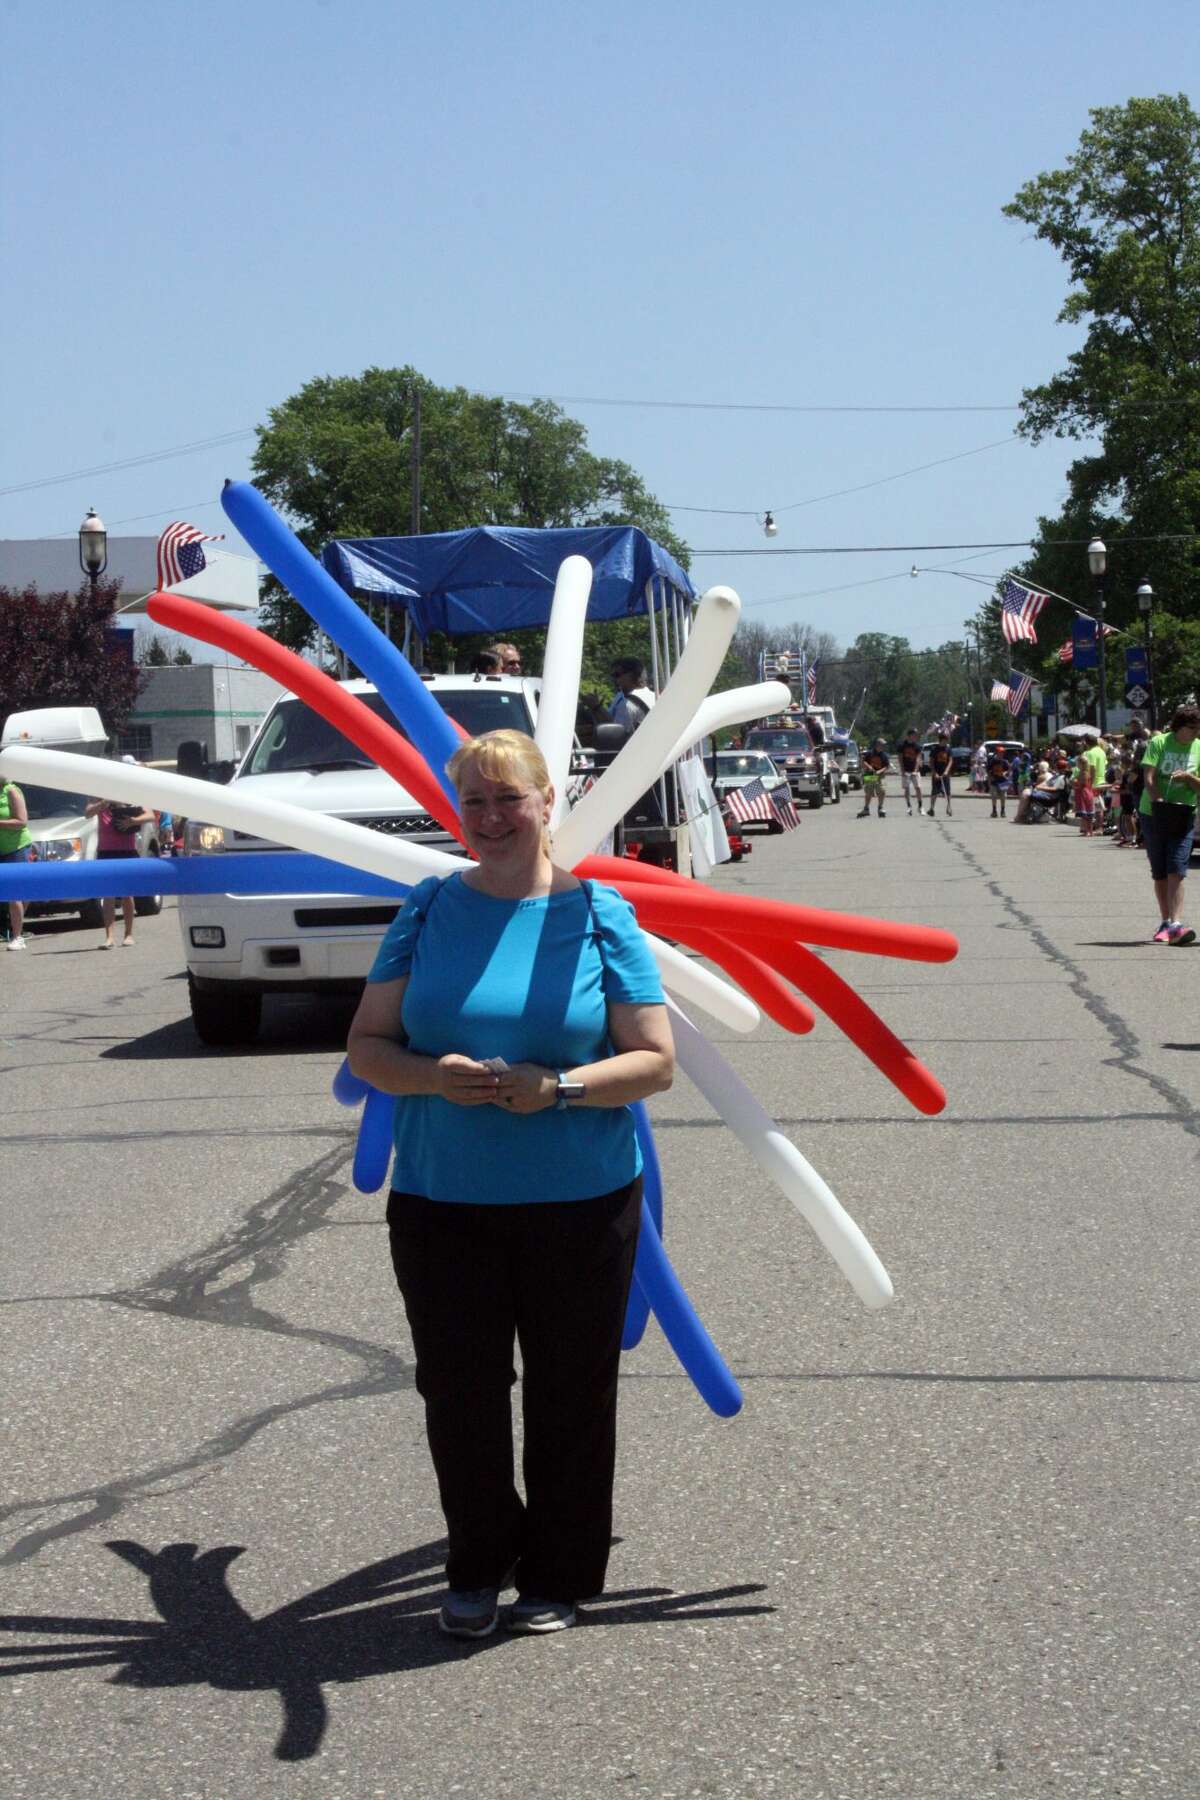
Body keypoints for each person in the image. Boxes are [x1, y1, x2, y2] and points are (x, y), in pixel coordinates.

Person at [347, 729, 674, 1639]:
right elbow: (367, 1046)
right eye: (475, 803)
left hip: (581, 1202)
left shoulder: (599, 914)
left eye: (509, 799)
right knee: (460, 1395)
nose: (491, 819)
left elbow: (654, 1062)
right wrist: (429, 1075)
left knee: (571, 1394)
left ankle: (558, 1571)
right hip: (443, 1201)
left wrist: (558, 1088)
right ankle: (479, 1560)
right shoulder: (427, 909)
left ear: (546, 803)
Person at [1139, 703, 1200, 945]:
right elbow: (1149, 778)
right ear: (1179, 726)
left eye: (1198, 729)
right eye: (1192, 728)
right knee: (1160, 871)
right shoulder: (1159, 743)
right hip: (1154, 813)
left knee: (1177, 867)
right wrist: (1159, 802)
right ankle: (1165, 921)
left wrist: (1189, 777)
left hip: (1183, 813)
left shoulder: (1198, 747)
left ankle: (1176, 923)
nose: (1196, 733)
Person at [85, 768, 153, 948]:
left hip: (127, 850)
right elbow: (88, 813)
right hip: (106, 851)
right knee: (108, 895)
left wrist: (133, 821)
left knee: (127, 894)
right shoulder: (98, 795)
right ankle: (109, 937)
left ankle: (129, 934)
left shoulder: (130, 794)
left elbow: (150, 815)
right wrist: (103, 803)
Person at [0, 776, 33, 950]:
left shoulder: (11, 791)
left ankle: (17, 936)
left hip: (17, 846)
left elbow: (21, 821)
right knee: (12, 892)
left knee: (14, 892)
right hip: (1, 848)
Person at [609, 658, 655, 734]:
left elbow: (616, 735)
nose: (614, 679)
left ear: (631, 675)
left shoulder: (627, 705)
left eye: (617, 675)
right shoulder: (656, 697)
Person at [857, 739, 890, 818]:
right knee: (868, 792)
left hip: (881, 775)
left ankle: (880, 808)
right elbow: (863, 761)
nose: (883, 746)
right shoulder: (869, 753)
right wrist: (869, 767)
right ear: (877, 745)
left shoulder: (884, 755)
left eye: (884, 745)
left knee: (882, 791)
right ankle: (866, 809)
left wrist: (880, 771)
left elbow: (887, 766)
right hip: (869, 774)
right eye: (882, 745)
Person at [896, 729, 923, 815]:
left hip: (915, 770)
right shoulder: (902, 745)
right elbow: (900, 758)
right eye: (914, 735)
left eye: (916, 735)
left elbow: (918, 758)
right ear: (909, 736)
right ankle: (909, 806)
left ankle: (920, 807)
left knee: (918, 787)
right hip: (906, 770)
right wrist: (902, 770)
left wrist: (915, 770)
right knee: (907, 788)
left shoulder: (917, 746)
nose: (915, 736)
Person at [927, 734, 954, 817]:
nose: (946, 742)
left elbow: (950, 761)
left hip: (945, 774)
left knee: (947, 792)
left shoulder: (948, 749)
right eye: (944, 740)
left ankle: (948, 808)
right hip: (936, 773)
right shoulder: (934, 749)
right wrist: (934, 773)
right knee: (934, 791)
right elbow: (931, 762)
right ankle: (931, 808)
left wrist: (946, 771)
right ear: (941, 740)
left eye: (947, 740)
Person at [1073, 750, 1097, 837]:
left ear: (1081, 764)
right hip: (1088, 792)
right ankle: (1090, 831)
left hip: (1084, 793)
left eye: (1078, 763)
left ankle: (1087, 831)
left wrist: (1075, 783)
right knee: (1088, 813)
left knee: (1085, 814)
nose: (1077, 765)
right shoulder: (1087, 772)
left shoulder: (1083, 773)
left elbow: (1082, 783)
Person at [987, 745, 1012, 818]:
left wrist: (1006, 773)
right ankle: (994, 811)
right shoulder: (992, 761)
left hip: (1003, 781)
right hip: (994, 780)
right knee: (994, 796)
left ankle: (1003, 811)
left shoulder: (1005, 762)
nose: (1001, 754)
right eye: (1000, 752)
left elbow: (1009, 770)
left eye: (1002, 752)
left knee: (1003, 796)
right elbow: (988, 771)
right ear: (997, 753)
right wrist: (990, 779)